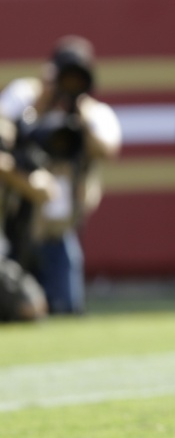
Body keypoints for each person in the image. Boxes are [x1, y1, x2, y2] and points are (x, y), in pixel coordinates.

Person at [0, 35, 122, 314]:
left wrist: (81, 117)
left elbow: (109, 147)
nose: (68, 88)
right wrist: (37, 109)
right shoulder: (26, 97)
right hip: (18, 227)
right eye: (64, 78)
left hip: (59, 233)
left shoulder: (91, 114)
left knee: (66, 312)